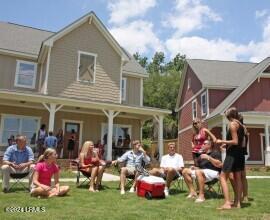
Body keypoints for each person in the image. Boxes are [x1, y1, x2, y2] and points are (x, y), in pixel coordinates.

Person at [216, 107, 245, 209]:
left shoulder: (232, 124)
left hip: (232, 155)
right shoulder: (241, 125)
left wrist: (222, 142)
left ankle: (227, 203)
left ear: (229, 116)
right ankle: (238, 203)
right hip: (239, 154)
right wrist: (227, 145)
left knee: (222, 176)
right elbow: (241, 143)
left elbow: (235, 141)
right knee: (238, 178)